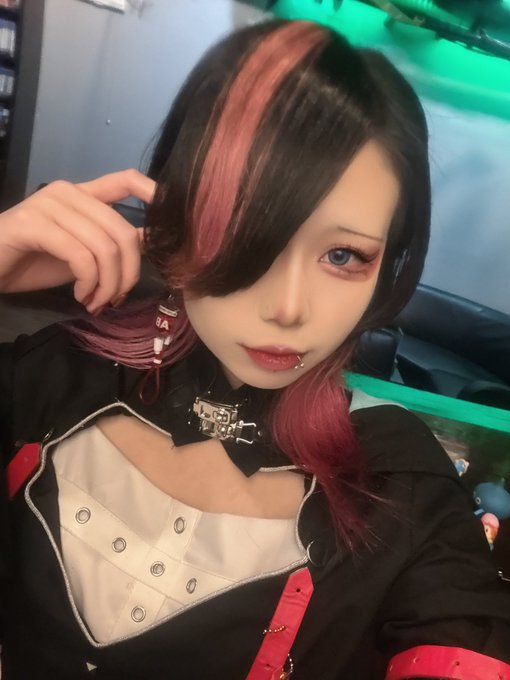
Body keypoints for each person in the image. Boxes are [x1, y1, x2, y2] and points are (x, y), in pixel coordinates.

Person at [0, 18, 509, 680]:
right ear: (175, 223)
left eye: (343, 255)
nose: (289, 309)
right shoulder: (54, 377)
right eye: (247, 234)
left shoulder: (401, 485)